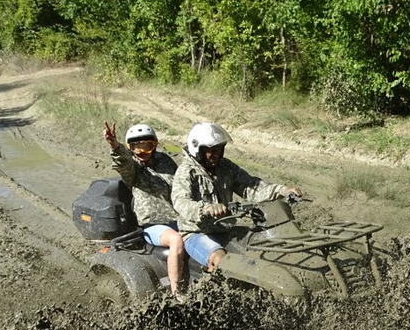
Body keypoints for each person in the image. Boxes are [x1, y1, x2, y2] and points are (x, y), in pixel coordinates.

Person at [171, 122, 302, 271]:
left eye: (219, 150)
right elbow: (180, 202)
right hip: (196, 233)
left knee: (264, 244)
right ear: (197, 150)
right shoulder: (186, 173)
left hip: (226, 230)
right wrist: (206, 208)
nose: (216, 155)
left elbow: (251, 187)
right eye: (211, 150)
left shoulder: (225, 167)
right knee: (223, 261)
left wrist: (282, 190)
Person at [103, 120, 186, 297]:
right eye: (136, 147)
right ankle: (177, 292)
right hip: (152, 225)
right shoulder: (131, 167)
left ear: (154, 145)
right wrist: (114, 145)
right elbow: (123, 161)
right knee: (176, 240)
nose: (142, 152)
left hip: (178, 218)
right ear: (130, 149)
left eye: (146, 146)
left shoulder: (165, 161)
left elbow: (181, 183)